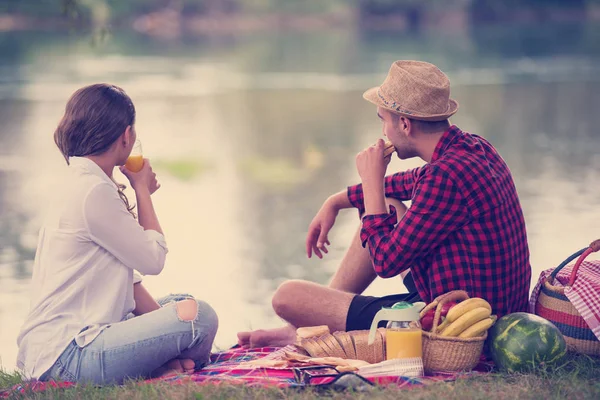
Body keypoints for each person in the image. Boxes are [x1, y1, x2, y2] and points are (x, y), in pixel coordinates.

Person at [238, 60, 532, 348]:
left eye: (383, 121)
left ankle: (309, 329)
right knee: (388, 206)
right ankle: (315, 323)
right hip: (478, 299)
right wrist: (336, 200)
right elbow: (410, 181)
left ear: (404, 124)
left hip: (459, 322)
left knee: (287, 297)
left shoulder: (445, 177)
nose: (383, 133)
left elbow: (386, 262)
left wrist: (371, 183)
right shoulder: (472, 148)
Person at [16, 84, 218, 384]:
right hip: (68, 356)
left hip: (62, 349)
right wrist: (142, 190)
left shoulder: (84, 181)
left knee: (181, 303)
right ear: (126, 135)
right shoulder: (93, 191)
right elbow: (153, 261)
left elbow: (131, 287)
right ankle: (170, 365)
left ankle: (167, 364)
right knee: (200, 316)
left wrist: (172, 324)